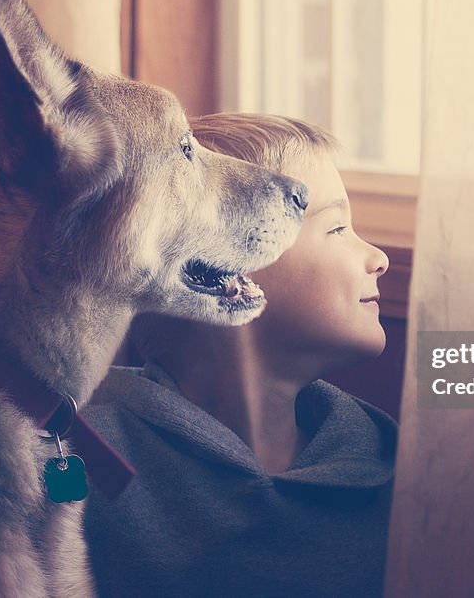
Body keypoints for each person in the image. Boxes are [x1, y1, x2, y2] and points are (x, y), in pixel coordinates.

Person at [82, 113, 397, 597]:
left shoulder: (393, 469)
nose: (379, 258)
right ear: (225, 263)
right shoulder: (78, 461)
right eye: (336, 229)